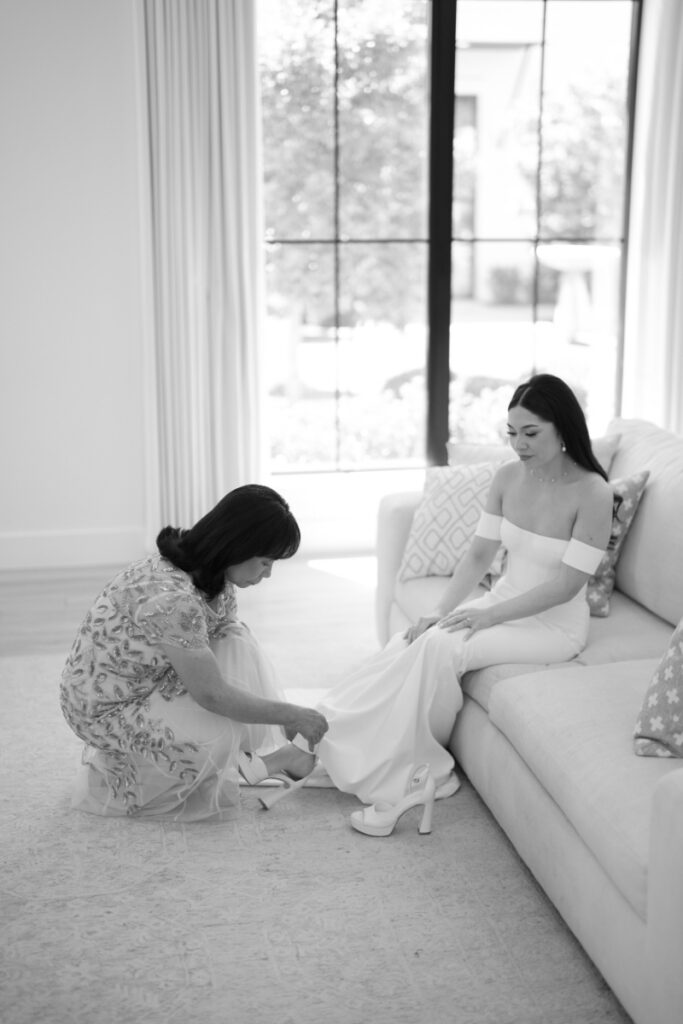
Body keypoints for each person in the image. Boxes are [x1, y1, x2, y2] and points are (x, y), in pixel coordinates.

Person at [240, 374, 614, 837]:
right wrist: (440, 611)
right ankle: (312, 741)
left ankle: (407, 767)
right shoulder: (507, 477)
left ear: (563, 428)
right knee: (410, 640)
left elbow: (566, 586)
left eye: (531, 433)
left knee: (440, 647)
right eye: (512, 433)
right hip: (501, 602)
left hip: (552, 627)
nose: (519, 444)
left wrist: (485, 616)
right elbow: (478, 555)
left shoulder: (594, 493)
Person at [59, 485, 328, 821]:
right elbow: (211, 695)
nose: (268, 573)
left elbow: (222, 653)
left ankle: (245, 758)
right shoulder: (172, 598)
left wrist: (280, 715)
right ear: (240, 546)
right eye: (265, 562)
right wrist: (291, 715)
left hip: (147, 680)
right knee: (215, 737)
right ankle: (170, 763)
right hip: (104, 708)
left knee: (235, 638)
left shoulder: (212, 576)